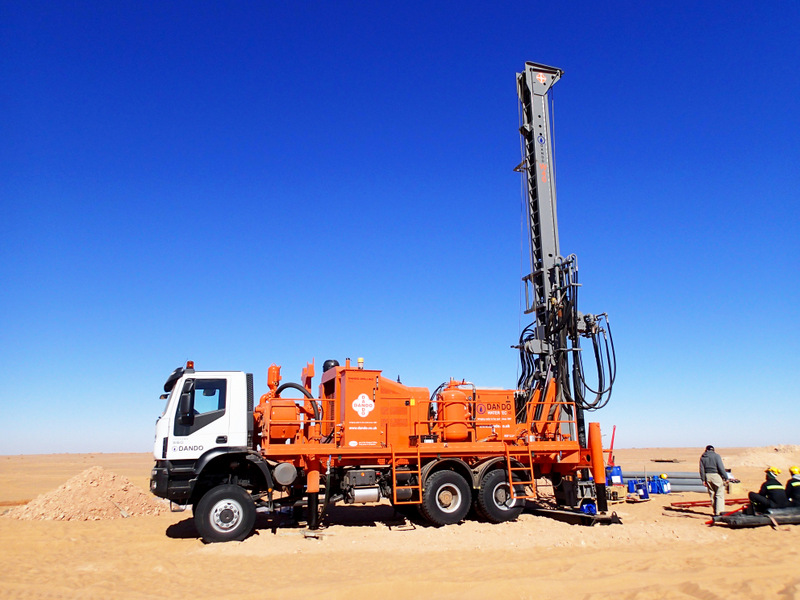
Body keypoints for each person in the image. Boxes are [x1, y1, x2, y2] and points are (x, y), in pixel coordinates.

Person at [699, 445, 729, 516]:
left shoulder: (703, 457)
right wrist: (726, 477)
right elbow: (721, 468)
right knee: (719, 494)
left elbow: (701, 470)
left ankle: (715, 511)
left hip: (707, 476)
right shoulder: (716, 456)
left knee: (712, 494)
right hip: (716, 476)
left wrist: (703, 480)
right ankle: (719, 512)